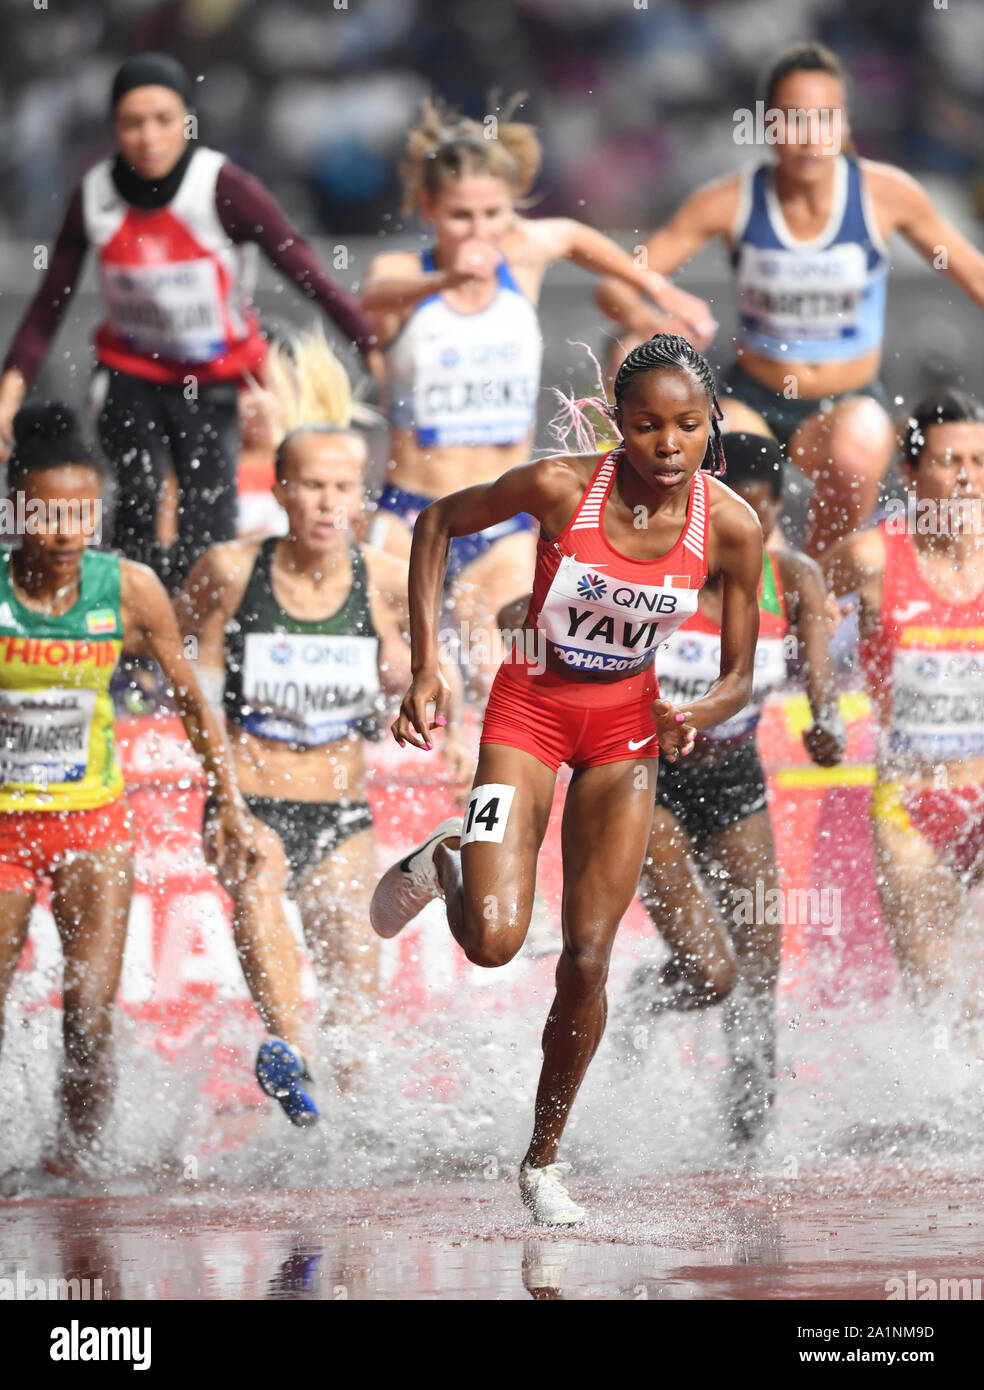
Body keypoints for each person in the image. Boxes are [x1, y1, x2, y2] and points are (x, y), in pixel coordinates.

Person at [370, 334, 764, 1225]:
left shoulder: (732, 525)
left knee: (588, 958)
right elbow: (435, 523)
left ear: (711, 427)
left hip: (625, 737)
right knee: (497, 942)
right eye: (647, 426)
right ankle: (449, 861)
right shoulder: (560, 487)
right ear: (619, 427)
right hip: (527, 714)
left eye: (688, 427)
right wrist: (428, 667)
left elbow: (738, 674)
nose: (668, 445)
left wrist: (695, 714)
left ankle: (543, 1162)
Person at [177, 331, 472, 1126]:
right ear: (279, 489)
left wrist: (442, 722)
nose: (329, 504)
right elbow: (191, 689)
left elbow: (430, 678)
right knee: (261, 891)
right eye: (312, 486)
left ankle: (342, 1135)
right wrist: (224, 797)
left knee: (353, 986)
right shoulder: (229, 572)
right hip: (249, 800)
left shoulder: (383, 580)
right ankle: (286, 1052)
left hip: (341, 808)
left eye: (345, 487)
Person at [362, 97, 716, 696]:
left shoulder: (520, 256)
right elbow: (374, 296)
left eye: (492, 214)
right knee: (401, 671)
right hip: (411, 510)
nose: (478, 231)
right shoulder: (403, 271)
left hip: (500, 513)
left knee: (493, 663)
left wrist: (659, 290)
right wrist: (446, 279)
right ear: (428, 208)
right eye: (460, 216)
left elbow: (577, 237)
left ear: (513, 211)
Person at [0, 52, 376, 593]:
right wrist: (10, 391)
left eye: (164, 120)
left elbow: (309, 273)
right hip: (130, 372)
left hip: (214, 376)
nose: (149, 137)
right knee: (139, 495)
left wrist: (371, 347)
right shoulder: (95, 195)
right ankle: (134, 636)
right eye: (133, 123)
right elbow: (48, 303)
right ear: (115, 128)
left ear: (187, 122)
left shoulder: (223, 187)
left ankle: (201, 630)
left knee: (208, 515)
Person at [595, 41, 984, 558]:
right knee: (730, 462)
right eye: (791, 119)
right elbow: (613, 283)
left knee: (863, 439)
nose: (808, 137)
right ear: (768, 126)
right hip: (752, 396)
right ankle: (755, 590)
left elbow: (974, 275)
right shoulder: (730, 199)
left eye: (823, 119)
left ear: (844, 124)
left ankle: (819, 587)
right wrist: (656, 313)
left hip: (844, 406)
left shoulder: (885, 195)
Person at [0, 403, 255, 1175]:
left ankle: (76, 1168)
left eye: (84, 511)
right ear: (15, 512)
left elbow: (189, 700)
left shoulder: (130, 589)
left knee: (87, 1015)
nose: (68, 530)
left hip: (93, 826)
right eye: (48, 513)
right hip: (4, 829)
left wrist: (228, 799)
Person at [613, 432, 846, 1143]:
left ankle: (750, 1140)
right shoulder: (658, 570)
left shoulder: (794, 577)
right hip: (649, 781)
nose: (755, 527)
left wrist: (825, 729)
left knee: (759, 971)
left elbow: (824, 699)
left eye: (770, 511)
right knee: (710, 975)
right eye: (742, 510)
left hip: (735, 775)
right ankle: (636, 1008)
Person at [823, 390, 984, 1023]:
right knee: (937, 1003)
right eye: (950, 462)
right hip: (911, 805)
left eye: (980, 460)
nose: (968, 477)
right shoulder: (871, 559)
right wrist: (814, 686)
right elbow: (792, 603)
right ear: (912, 475)